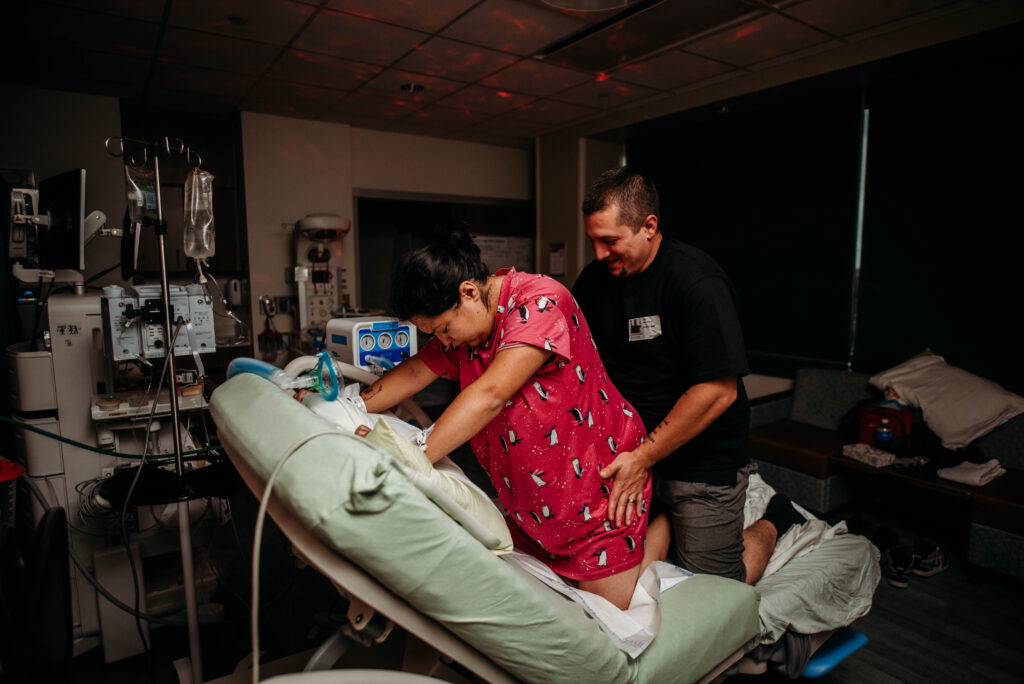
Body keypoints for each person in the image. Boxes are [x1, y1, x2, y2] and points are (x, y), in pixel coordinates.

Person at [360, 230, 669, 609]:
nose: (446, 342)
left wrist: (411, 459)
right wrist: (354, 406)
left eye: (443, 329)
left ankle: (662, 522)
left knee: (618, 613)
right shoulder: (470, 333)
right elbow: (415, 372)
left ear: (468, 292)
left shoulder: (539, 303)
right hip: (534, 506)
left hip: (597, 495)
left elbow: (490, 395)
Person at [571, 167, 805, 586]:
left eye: (610, 240)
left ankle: (777, 518)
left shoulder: (696, 281)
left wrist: (644, 458)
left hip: (700, 460)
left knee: (714, 587)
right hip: (626, 453)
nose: (599, 253)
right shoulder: (593, 282)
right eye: (593, 240)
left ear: (649, 226)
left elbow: (718, 391)